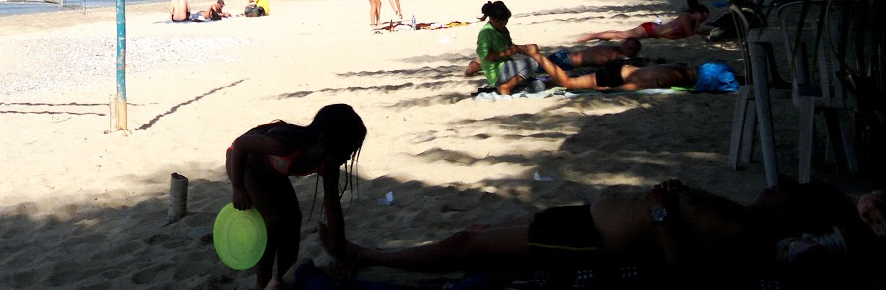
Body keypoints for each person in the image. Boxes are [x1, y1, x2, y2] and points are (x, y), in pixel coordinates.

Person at [317, 176, 867, 284]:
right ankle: (370, 255)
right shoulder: (746, 217)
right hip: (581, 220)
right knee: (480, 232)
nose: (777, 184)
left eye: (789, 187)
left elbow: (684, 270)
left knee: (468, 245)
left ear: (795, 212)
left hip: (586, 239)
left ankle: (365, 256)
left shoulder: (750, 235)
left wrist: (662, 210)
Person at [227, 103, 368, 290]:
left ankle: (285, 276)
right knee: (274, 221)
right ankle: (262, 282)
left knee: (293, 219)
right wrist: (238, 188)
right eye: (347, 151)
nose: (348, 158)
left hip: (273, 171)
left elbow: (333, 210)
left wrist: (340, 258)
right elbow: (240, 145)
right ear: (324, 142)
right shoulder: (285, 144)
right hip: (244, 164)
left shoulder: (328, 161)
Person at [523, 48, 737, 92]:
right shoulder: (669, 77)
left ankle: (541, 81)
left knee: (571, 80)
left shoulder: (679, 68)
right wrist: (612, 90)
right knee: (569, 83)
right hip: (616, 76)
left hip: (621, 68)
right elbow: (638, 85)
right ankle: (536, 55)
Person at [463, 38, 641, 79]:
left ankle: (487, 60)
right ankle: (479, 65)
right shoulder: (616, 53)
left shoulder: (616, 52)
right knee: (529, 65)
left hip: (566, 58)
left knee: (527, 63)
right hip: (565, 60)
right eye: (629, 45)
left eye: (632, 49)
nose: (629, 49)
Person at [475, 0, 538, 95]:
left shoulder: (503, 29)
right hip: (497, 71)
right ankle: (506, 87)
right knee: (533, 63)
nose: (503, 24)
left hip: (507, 65)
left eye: (505, 21)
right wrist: (506, 52)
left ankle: (508, 85)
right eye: (500, 22)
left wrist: (519, 49)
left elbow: (508, 45)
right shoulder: (485, 33)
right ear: (491, 19)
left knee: (538, 86)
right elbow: (485, 56)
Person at [575, 1, 711, 42]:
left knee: (620, 34)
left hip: (653, 31)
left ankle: (597, 35)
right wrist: (699, 24)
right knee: (620, 35)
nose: (703, 19)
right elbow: (690, 34)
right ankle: (592, 36)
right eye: (703, 17)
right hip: (650, 30)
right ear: (698, 13)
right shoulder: (687, 19)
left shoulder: (688, 19)